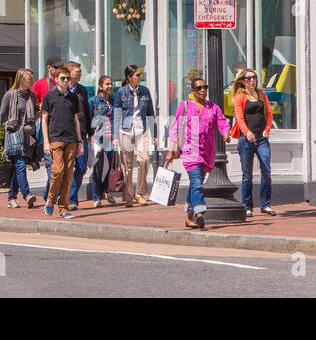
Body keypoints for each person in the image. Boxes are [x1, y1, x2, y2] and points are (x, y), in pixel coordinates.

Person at [166, 76, 232, 229]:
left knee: (196, 184)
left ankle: (189, 218)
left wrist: (225, 133)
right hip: (190, 150)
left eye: (205, 87)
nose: (203, 90)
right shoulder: (185, 106)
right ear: (192, 91)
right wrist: (171, 150)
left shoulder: (213, 107)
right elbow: (175, 128)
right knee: (197, 182)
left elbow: (222, 121)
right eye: (199, 88)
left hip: (207, 151)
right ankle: (200, 212)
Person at [40, 67, 86, 218]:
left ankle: (63, 208)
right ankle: (51, 200)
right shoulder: (49, 96)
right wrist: (46, 141)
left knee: (68, 174)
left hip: (71, 139)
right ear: (56, 79)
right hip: (56, 138)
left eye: (67, 78)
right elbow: (44, 119)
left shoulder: (73, 98)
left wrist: (80, 141)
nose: (66, 81)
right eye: (62, 78)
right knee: (57, 171)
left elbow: (76, 120)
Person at [230, 70, 275, 217]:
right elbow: (240, 118)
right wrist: (247, 132)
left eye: (254, 77)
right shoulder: (240, 97)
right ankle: (247, 206)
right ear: (242, 81)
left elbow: (268, 114)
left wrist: (267, 129)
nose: (251, 80)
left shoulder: (262, 94)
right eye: (248, 78)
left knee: (266, 170)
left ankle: (265, 204)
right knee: (247, 174)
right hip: (246, 140)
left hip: (261, 138)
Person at [0, 68, 39, 209]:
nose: (32, 81)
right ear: (21, 80)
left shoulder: (31, 96)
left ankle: (12, 197)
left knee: (17, 168)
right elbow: (1, 116)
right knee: (20, 165)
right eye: (29, 79)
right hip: (13, 135)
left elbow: (33, 115)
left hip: (27, 135)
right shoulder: (10, 95)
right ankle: (27, 195)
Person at [113, 64, 155, 206]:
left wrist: (154, 133)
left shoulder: (145, 91)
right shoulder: (121, 93)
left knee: (144, 160)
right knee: (128, 165)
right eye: (137, 75)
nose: (140, 77)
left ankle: (139, 193)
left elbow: (150, 113)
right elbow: (116, 114)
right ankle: (129, 196)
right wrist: (114, 136)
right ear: (129, 77)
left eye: (140, 74)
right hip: (125, 131)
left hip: (141, 130)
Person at [63, 64, 93, 210]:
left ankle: (71, 195)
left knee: (81, 167)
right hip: (65, 135)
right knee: (64, 168)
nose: (81, 73)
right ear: (69, 73)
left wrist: (89, 131)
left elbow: (86, 111)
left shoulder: (82, 91)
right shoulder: (61, 90)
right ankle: (68, 198)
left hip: (81, 134)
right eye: (78, 71)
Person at [90, 75, 119, 208]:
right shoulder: (94, 101)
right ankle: (96, 197)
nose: (110, 86)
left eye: (111, 84)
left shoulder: (113, 101)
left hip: (110, 137)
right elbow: (89, 119)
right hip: (97, 138)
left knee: (109, 167)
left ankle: (105, 191)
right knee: (98, 167)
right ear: (100, 86)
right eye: (107, 84)